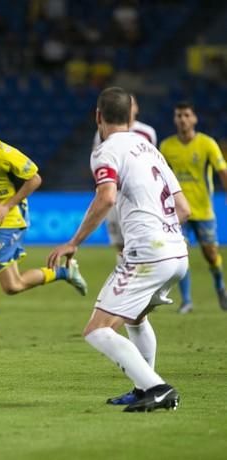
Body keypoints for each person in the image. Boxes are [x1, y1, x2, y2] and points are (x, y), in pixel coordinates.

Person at [47, 87, 190, 412]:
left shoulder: (106, 149)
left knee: (96, 331)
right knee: (136, 318)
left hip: (149, 253)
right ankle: (143, 388)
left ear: (98, 117)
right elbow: (184, 207)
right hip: (177, 252)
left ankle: (157, 388)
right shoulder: (151, 150)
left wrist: (73, 242)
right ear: (131, 116)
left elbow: (106, 197)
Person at [0, 107, 88, 351]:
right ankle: (64, 273)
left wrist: (7, 205)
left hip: (13, 220)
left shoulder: (2, 152)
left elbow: (35, 178)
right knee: (13, 286)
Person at [160, 101, 227, 314]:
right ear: (174, 119)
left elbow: (222, 171)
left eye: (186, 115)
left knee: (211, 254)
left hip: (203, 210)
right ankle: (186, 300)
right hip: (178, 212)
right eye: (178, 115)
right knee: (181, 254)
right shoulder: (166, 147)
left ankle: (220, 286)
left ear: (194, 118)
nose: (182, 119)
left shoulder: (207, 144)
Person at [93, 95, 157, 258]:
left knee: (141, 240)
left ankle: (135, 274)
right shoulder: (101, 133)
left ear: (136, 108)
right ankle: (125, 272)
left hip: (139, 195)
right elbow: (99, 160)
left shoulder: (147, 132)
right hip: (115, 193)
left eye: (132, 104)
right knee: (119, 243)